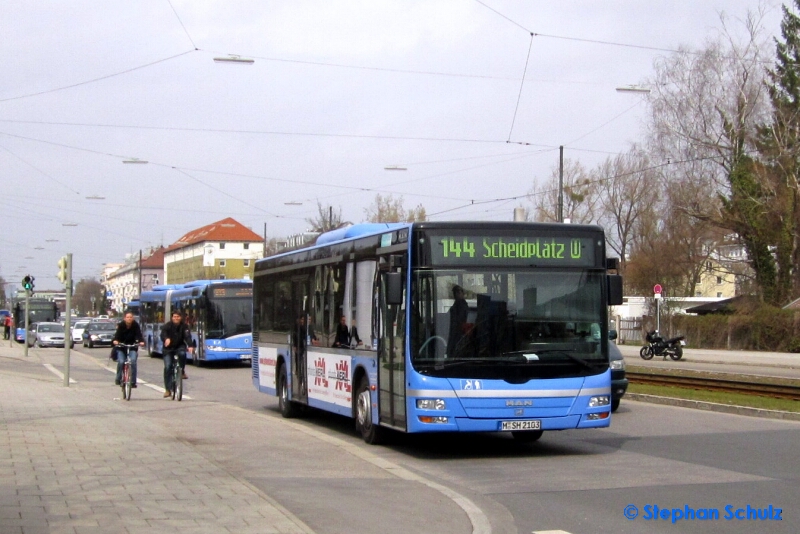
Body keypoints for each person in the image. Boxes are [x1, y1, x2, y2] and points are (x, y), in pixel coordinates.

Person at [160, 310, 194, 398]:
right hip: (168, 349)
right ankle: (168, 390)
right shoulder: (167, 326)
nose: (176, 318)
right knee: (168, 367)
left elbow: (187, 336)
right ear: (172, 317)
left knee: (182, 354)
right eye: (175, 317)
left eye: (178, 317)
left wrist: (190, 345)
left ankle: (181, 371)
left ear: (181, 318)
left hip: (179, 346)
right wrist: (166, 339)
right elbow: (163, 334)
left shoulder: (184, 326)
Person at [112, 311, 145, 387]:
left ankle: (133, 382)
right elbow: (117, 335)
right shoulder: (121, 325)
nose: (129, 319)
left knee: (133, 361)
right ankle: (118, 378)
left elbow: (139, 335)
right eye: (127, 317)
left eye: (130, 317)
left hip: (132, 346)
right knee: (121, 361)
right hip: (121, 347)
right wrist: (116, 341)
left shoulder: (135, 325)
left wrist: (141, 341)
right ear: (124, 318)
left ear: (133, 318)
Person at [446, 285, 469, 357]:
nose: (457, 294)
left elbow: (460, 322)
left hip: (460, 336)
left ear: (462, 293)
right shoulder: (455, 307)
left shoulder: (463, 306)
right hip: (454, 335)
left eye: (459, 292)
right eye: (455, 293)